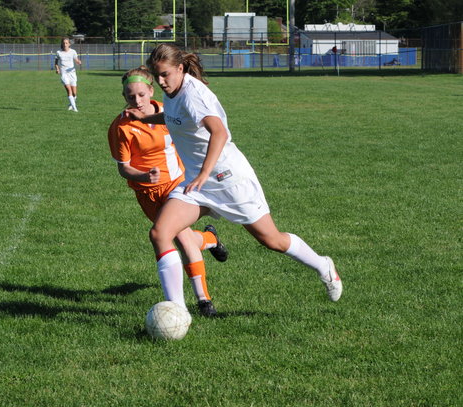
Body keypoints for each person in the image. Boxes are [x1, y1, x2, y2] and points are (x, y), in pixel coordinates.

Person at [128, 43, 343, 306]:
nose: (161, 81)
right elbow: (177, 119)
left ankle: (323, 266)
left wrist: (204, 172)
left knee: (271, 240)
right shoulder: (173, 92)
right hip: (197, 183)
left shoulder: (194, 95)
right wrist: (144, 119)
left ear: (180, 68)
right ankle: (177, 309)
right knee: (160, 233)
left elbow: (219, 133)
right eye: (157, 75)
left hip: (227, 178)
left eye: (165, 75)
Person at [108, 66, 229, 317]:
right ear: (124, 96)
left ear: (151, 91)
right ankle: (210, 239)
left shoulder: (168, 113)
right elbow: (123, 169)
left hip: (177, 184)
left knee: (181, 238)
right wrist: (144, 176)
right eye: (130, 96)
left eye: (141, 94)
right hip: (148, 194)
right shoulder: (121, 127)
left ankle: (203, 300)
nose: (137, 100)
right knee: (181, 236)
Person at [55, 37, 81, 112]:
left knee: (74, 93)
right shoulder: (58, 52)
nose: (65, 44)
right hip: (64, 73)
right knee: (69, 91)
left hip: (72, 73)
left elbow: (76, 60)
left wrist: (78, 62)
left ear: (69, 44)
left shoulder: (73, 52)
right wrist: (57, 69)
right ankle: (75, 109)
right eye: (64, 43)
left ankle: (71, 104)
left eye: (66, 43)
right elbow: (56, 63)